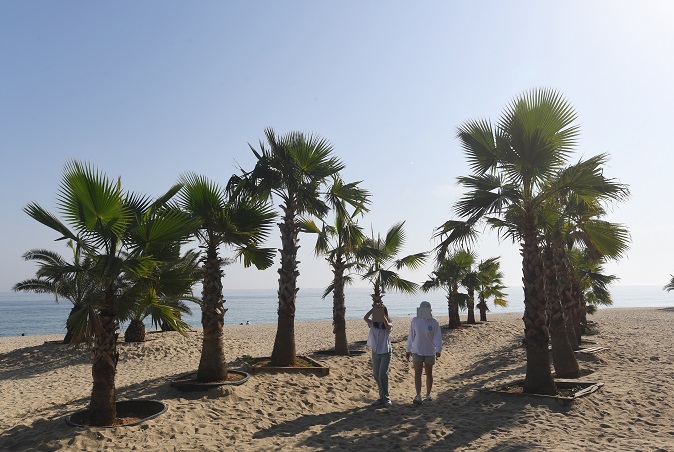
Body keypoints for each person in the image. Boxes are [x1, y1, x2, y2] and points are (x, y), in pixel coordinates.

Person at [405, 301, 442, 405]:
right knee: (418, 373)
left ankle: (428, 393)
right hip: (417, 351)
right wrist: (408, 349)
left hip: (430, 351)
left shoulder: (434, 322)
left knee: (429, 373)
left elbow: (437, 337)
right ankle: (418, 395)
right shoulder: (415, 320)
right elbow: (411, 336)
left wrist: (438, 349)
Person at [364, 299, 393, 407]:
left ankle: (387, 398)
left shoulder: (388, 324)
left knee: (382, 374)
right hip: (375, 352)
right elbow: (365, 318)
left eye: (380, 312)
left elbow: (388, 325)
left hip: (386, 352)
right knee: (376, 375)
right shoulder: (373, 324)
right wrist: (374, 309)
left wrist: (382, 315)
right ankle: (381, 398)